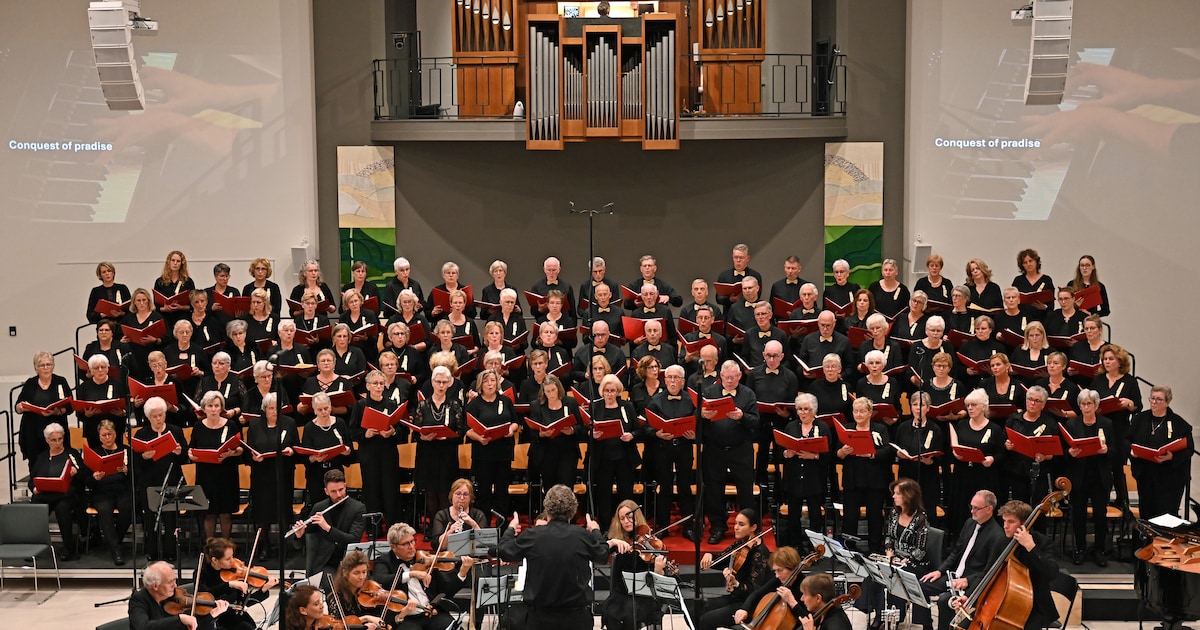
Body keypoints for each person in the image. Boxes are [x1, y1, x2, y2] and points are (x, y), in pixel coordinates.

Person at [497, 484, 631, 630]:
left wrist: (510, 529)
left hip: (540, 620)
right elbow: (602, 555)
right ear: (573, 511)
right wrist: (595, 531)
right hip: (576, 619)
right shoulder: (582, 536)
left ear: (547, 509)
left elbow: (504, 551)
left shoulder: (533, 535)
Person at [949, 501, 1060, 630]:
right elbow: (988, 574)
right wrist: (969, 597)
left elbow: (1052, 573)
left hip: (1034, 606)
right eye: (1004, 521)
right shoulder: (1002, 542)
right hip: (1002, 602)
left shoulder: (1041, 542)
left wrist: (1031, 547)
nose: (1005, 526)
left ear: (1024, 524)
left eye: (1011, 522)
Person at [918, 490, 1004, 630]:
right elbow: (956, 552)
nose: (972, 511)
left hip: (969, 583)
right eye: (971, 507)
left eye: (977, 508)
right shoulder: (970, 523)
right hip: (954, 576)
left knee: (944, 600)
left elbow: (989, 571)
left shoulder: (997, 536)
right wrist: (940, 571)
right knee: (920, 586)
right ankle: (926, 626)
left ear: (989, 509)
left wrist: (967, 580)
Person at [372, 522, 476, 630]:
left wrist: (462, 573)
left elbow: (446, 591)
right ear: (393, 547)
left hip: (430, 613)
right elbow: (381, 579)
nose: (411, 547)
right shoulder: (384, 561)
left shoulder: (425, 560)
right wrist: (411, 574)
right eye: (405, 544)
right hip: (405, 618)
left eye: (412, 541)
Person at [701, 361, 759, 544]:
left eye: (733, 377)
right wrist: (703, 416)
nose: (729, 381)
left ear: (739, 376)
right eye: (726, 377)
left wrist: (742, 417)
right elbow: (696, 419)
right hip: (714, 449)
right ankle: (718, 527)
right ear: (721, 376)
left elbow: (755, 422)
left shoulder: (748, 393)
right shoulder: (710, 392)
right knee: (713, 490)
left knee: (745, 491)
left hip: (740, 449)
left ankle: (748, 530)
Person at [836, 396, 896, 551]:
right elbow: (837, 454)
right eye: (856, 411)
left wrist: (871, 454)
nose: (858, 414)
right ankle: (849, 549)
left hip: (875, 481)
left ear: (870, 413)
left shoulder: (880, 429)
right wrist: (843, 451)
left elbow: (888, 450)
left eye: (862, 411)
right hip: (852, 480)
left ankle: (874, 549)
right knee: (850, 517)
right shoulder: (847, 428)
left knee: (875, 517)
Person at [698, 509, 773, 630]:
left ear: (753, 527)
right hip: (736, 597)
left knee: (706, 620)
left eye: (741, 524)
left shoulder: (760, 554)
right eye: (736, 523)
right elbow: (721, 560)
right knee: (696, 610)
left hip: (749, 604)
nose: (736, 527)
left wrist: (736, 583)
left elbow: (754, 590)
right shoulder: (741, 543)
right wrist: (710, 555)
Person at [1063, 389, 1114, 566]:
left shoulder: (1106, 424)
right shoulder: (1072, 425)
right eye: (1083, 404)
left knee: (1100, 515)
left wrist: (1107, 450)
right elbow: (1064, 452)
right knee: (1079, 515)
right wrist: (1070, 453)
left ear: (1096, 405)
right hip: (1079, 476)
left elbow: (1115, 450)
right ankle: (1080, 549)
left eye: (1089, 404)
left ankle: (1099, 549)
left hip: (1099, 476)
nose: (1086, 407)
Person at [350, 369, 403, 537]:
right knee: (371, 491)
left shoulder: (391, 404)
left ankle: (393, 530)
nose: (379, 386)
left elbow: (401, 430)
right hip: (369, 454)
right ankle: (374, 529)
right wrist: (364, 434)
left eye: (381, 383)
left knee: (390, 491)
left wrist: (392, 432)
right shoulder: (360, 405)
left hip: (388, 453)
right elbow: (351, 431)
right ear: (367, 386)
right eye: (375, 383)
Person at [134, 397, 188, 561]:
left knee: (170, 519)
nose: (158, 419)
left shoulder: (175, 431)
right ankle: (153, 551)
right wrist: (144, 456)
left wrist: (180, 452)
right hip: (149, 483)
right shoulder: (141, 433)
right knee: (150, 519)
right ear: (148, 417)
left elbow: (185, 456)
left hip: (171, 480)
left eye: (161, 415)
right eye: (154, 416)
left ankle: (170, 552)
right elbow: (135, 462)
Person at [644, 365, 696, 534]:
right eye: (670, 378)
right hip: (663, 448)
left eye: (676, 378)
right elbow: (647, 427)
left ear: (683, 381)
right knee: (664, 487)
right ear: (664, 380)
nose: (673, 381)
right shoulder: (656, 400)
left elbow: (700, 425)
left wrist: (693, 435)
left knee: (685, 487)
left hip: (684, 447)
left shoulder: (692, 400)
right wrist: (657, 434)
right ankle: (663, 525)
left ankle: (688, 525)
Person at [245, 392, 298, 558]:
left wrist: (292, 450)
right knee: (263, 512)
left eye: (277, 408)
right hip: (262, 476)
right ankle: (264, 545)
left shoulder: (289, 423)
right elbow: (248, 452)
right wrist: (253, 457)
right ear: (264, 409)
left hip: (283, 474)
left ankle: (283, 546)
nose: (274, 412)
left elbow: (297, 447)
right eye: (271, 408)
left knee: (283, 511)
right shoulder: (254, 426)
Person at [1129, 385, 1194, 519]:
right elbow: (1126, 440)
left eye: (1159, 399)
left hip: (1169, 479)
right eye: (1152, 398)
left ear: (1168, 402)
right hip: (1146, 476)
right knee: (1147, 514)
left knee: (1166, 516)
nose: (1154, 402)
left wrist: (1172, 457)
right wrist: (1132, 451)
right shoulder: (1139, 419)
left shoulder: (1179, 423)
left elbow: (1189, 449)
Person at [601, 500, 668, 630]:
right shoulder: (618, 542)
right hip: (622, 593)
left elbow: (664, 579)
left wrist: (659, 569)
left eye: (629, 517)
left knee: (630, 612)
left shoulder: (649, 541)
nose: (626, 521)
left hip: (645, 595)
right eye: (622, 519)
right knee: (611, 613)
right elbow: (600, 551)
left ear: (637, 517)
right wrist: (613, 542)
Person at [465, 368, 519, 521]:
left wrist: (510, 429)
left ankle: (501, 526)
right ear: (480, 385)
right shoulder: (475, 404)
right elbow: (467, 429)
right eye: (486, 381)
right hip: (483, 453)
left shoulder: (505, 400)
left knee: (502, 491)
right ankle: (484, 525)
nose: (490, 384)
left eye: (493, 380)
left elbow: (515, 422)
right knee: (484, 492)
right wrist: (479, 438)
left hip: (503, 452)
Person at [1091, 343, 1141, 507]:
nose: (1107, 362)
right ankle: (1101, 499)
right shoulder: (1098, 379)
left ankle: (1122, 501)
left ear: (1120, 361)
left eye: (1110, 359)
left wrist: (1129, 403)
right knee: (1101, 466)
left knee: (1118, 467)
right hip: (1101, 428)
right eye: (1104, 359)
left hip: (1120, 429)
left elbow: (1137, 406)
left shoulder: (1129, 381)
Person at [947, 390, 1005, 533]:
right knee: (962, 509)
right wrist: (955, 453)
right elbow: (955, 446)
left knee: (981, 510)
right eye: (968, 405)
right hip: (963, 474)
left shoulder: (995, 429)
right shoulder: (962, 425)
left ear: (983, 407)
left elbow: (1002, 454)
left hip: (984, 476)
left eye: (973, 405)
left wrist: (992, 459)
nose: (970, 408)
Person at [189, 391, 244, 540]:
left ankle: (226, 547)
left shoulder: (231, 425)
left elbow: (240, 449)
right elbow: (191, 448)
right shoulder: (198, 426)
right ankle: (210, 548)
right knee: (209, 513)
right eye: (210, 406)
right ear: (204, 408)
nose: (213, 409)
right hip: (206, 475)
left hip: (227, 475)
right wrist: (191, 455)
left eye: (217, 406)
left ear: (221, 408)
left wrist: (230, 453)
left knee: (226, 514)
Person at [590, 373, 643, 526]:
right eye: (607, 391)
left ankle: (627, 526)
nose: (610, 394)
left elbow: (638, 430)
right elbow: (587, 430)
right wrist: (593, 433)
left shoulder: (627, 406)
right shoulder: (596, 406)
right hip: (603, 458)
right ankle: (605, 527)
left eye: (613, 391)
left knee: (626, 494)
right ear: (602, 391)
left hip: (624, 458)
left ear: (618, 391)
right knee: (603, 494)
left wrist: (631, 435)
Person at [293, 469, 367, 579]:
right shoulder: (319, 507)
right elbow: (300, 544)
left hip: (350, 561)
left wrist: (327, 528)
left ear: (345, 486)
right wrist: (299, 535)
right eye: (333, 491)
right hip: (326, 563)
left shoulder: (358, 508)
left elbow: (353, 539)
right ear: (326, 491)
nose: (339, 494)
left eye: (341, 489)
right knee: (335, 584)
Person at [779, 393, 831, 550]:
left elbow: (828, 456)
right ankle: (795, 547)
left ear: (814, 410)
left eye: (806, 409)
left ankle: (814, 548)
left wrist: (814, 456)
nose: (803, 412)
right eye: (800, 409)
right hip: (794, 478)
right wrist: (786, 454)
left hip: (814, 480)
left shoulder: (822, 428)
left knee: (815, 516)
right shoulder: (791, 427)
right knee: (793, 515)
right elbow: (780, 450)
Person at [413, 366, 465, 516]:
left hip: (447, 453)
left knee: (445, 490)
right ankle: (431, 525)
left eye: (444, 382)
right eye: (438, 382)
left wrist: (448, 436)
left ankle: (444, 522)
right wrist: (423, 437)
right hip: (428, 453)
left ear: (449, 383)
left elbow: (461, 432)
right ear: (432, 382)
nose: (441, 385)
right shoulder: (423, 406)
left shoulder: (455, 405)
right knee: (430, 491)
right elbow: (416, 431)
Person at [194, 537, 278, 630]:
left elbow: (243, 603)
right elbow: (205, 596)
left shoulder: (233, 573)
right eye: (228, 559)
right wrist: (229, 585)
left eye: (232, 556)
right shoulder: (202, 573)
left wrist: (263, 589)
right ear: (215, 560)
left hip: (235, 619)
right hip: (216, 621)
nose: (233, 561)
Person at [882, 479, 933, 628]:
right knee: (877, 576)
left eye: (897, 493)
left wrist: (903, 561)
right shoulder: (894, 512)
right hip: (896, 558)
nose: (893, 496)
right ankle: (882, 616)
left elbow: (920, 550)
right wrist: (889, 554)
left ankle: (898, 616)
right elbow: (889, 536)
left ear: (908, 496)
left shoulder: (921, 519)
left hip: (916, 563)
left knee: (895, 576)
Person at [28, 423, 82, 560]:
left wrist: (76, 472)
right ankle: (33, 547)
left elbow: (84, 475)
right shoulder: (42, 457)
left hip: (65, 495)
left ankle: (68, 548)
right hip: (45, 495)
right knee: (35, 509)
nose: (58, 443)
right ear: (47, 440)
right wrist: (34, 488)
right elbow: (32, 480)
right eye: (54, 440)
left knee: (62, 509)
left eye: (60, 439)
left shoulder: (71, 454)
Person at [86, 419, 133, 565]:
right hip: (102, 492)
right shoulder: (94, 452)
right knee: (104, 511)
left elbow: (137, 474)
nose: (107, 438)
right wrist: (94, 477)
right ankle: (116, 550)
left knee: (128, 508)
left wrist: (127, 470)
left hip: (122, 490)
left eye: (110, 434)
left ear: (115, 434)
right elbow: (85, 479)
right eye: (104, 435)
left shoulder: (125, 450)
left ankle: (114, 542)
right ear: (99, 436)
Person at [130, 560, 226, 630]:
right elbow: (143, 627)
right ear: (155, 586)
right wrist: (180, 619)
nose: (175, 586)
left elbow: (195, 626)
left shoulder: (174, 598)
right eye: (170, 582)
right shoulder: (139, 600)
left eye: (174, 580)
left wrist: (211, 615)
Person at [527, 373, 583, 492]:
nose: (551, 394)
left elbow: (581, 426)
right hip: (546, 453)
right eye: (547, 391)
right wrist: (541, 434)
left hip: (567, 452)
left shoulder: (570, 402)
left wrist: (572, 430)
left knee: (566, 488)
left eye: (553, 390)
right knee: (550, 488)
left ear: (558, 388)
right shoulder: (536, 406)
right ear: (543, 392)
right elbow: (531, 432)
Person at [1002, 385, 1057, 505]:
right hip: (1017, 471)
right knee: (1019, 509)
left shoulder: (1049, 423)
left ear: (1043, 404)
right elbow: (1004, 442)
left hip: (1039, 473)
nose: (1032, 403)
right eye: (1030, 399)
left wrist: (1045, 456)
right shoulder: (1014, 419)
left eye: (1037, 401)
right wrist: (1007, 445)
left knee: (1038, 509)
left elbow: (1054, 452)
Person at [894, 391, 945, 519]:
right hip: (907, 475)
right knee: (906, 510)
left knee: (927, 513)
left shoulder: (935, 429)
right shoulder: (903, 427)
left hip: (927, 477)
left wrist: (931, 461)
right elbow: (896, 447)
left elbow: (941, 454)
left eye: (922, 405)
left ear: (928, 408)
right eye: (915, 404)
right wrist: (899, 454)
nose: (918, 408)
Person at [297, 392, 354, 506]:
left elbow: (350, 448)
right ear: (314, 410)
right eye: (319, 410)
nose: (323, 412)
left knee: (338, 505)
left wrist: (347, 452)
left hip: (336, 472)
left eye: (326, 408)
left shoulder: (340, 423)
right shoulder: (309, 427)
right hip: (317, 475)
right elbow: (305, 457)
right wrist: (314, 458)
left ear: (330, 407)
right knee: (319, 507)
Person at [728, 547, 807, 629]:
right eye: (775, 571)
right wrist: (744, 609)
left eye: (780, 570)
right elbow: (757, 594)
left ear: (793, 568)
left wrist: (792, 602)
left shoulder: (805, 586)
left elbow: (811, 619)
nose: (777, 575)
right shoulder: (778, 579)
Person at [15, 351, 72, 462]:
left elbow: (70, 406)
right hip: (33, 431)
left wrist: (58, 411)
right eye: (42, 365)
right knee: (35, 464)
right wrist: (21, 407)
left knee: (58, 462)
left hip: (56, 431)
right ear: (36, 368)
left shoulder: (61, 381)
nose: (46, 368)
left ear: (53, 367)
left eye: (49, 364)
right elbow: (18, 406)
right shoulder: (30, 383)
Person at [75, 353, 129, 449]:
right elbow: (78, 413)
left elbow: (127, 405)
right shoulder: (83, 387)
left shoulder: (117, 384)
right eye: (96, 368)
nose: (100, 370)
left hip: (115, 429)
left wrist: (123, 413)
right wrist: (86, 414)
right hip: (93, 431)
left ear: (108, 368)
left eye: (103, 367)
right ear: (91, 371)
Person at [326, 550, 387, 629]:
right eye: (356, 573)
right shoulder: (336, 598)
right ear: (345, 573)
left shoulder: (370, 592)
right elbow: (338, 626)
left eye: (364, 572)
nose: (361, 577)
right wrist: (366, 618)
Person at [430, 478, 489, 550]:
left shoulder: (478, 515)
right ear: (452, 495)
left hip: (472, 558)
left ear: (471, 497)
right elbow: (438, 547)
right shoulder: (441, 515)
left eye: (466, 494)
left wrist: (473, 524)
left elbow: (485, 545)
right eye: (458, 494)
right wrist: (450, 531)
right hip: (449, 557)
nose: (462, 498)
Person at [153, 250, 197, 327]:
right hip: (165, 317)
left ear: (182, 264)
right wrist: (164, 308)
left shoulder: (188, 282)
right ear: (168, 262)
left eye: (178, 261)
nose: (175, 263)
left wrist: (182, 307)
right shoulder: (160, 281)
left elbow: (193, 304)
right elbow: (155, 305)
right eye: (173, 260)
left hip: (183, 318)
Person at [716, 243, 763, 308]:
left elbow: (758, 296)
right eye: (736, 257)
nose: (738, 260)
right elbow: (718, 299)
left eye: (741, 258)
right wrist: (730, 299)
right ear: (732, 258)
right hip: (729, 313)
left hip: (750, 312)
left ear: (748, 258)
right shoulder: (724, 276)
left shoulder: (755, 275)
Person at [1011, 249, 1054, 318]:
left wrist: (1044, 307)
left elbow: (1051, 305)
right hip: (1023, 318)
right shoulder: (1018, 281)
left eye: (1030, 261)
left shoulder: (1046, 280)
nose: (1028, 264)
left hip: (1042, 318)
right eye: (1025, 262)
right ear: (1022, 265)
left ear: (1036, 262)